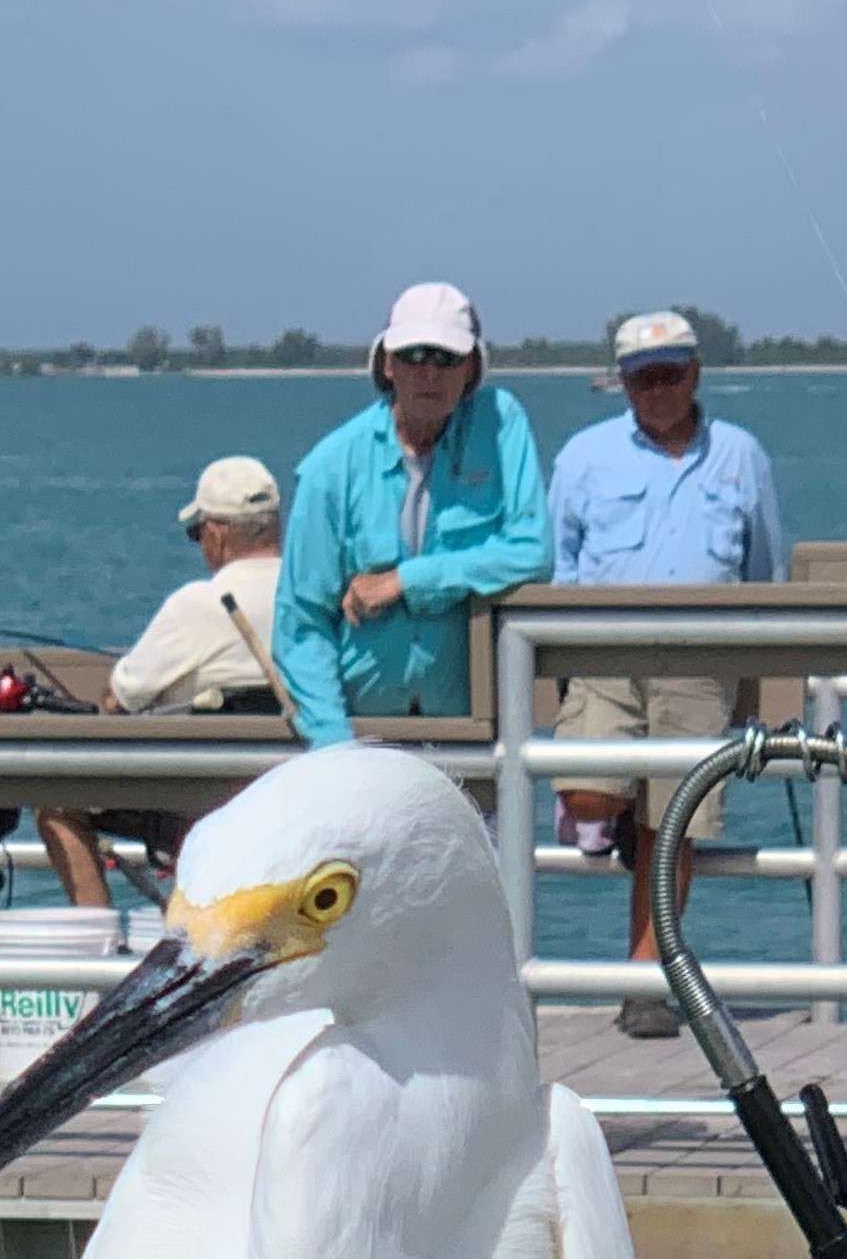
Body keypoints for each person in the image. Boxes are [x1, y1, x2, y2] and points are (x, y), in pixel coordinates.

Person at [548, 309, 785, 1023]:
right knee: (590, 793)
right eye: (641, 377)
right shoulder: (583, 456)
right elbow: (558, 562)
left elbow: (764, 567)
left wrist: (762, 673)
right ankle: (612, 814)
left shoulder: (741, 453)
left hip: (700, 657)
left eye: (669, 374)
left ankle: (646, 982)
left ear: (695, 374)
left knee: (673, 820)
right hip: (603, 651)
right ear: (620, 383)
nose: (656, 388)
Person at [270, 283, 548, 744]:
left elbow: (534, 552)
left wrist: (406, 581)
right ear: (387, 362)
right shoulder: (331, 466)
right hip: (363, 728)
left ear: (472, 367)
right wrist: (334, 746)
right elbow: (301, 623)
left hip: (472, 728)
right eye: (414, 355)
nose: (429, 374)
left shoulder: (502, 425)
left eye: (446, 359)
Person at [38, 455, 288, 912]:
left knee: (56, 803)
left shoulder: (197, 604)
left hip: (203, 803)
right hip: (294, 796)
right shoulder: (316, 596)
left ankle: (96, 955)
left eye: (197, 534)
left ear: (215, 533)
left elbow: (119, 700)